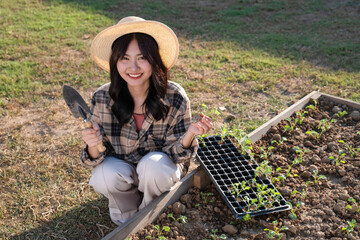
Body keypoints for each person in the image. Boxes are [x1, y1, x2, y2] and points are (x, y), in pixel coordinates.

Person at [80, 16, 213, 225]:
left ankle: (149, 214)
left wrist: (190, 134)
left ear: (154, 59)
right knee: (103, 174)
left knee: (153, 167)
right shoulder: (102, 97)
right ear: (115, 62)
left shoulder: (174, 96)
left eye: (142, 58)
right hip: (124, 169)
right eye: (124, 58)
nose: (133, 67)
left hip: (158, 170)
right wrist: (92, 144)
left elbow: (177, 156)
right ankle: (124, 216)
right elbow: (97, 157)